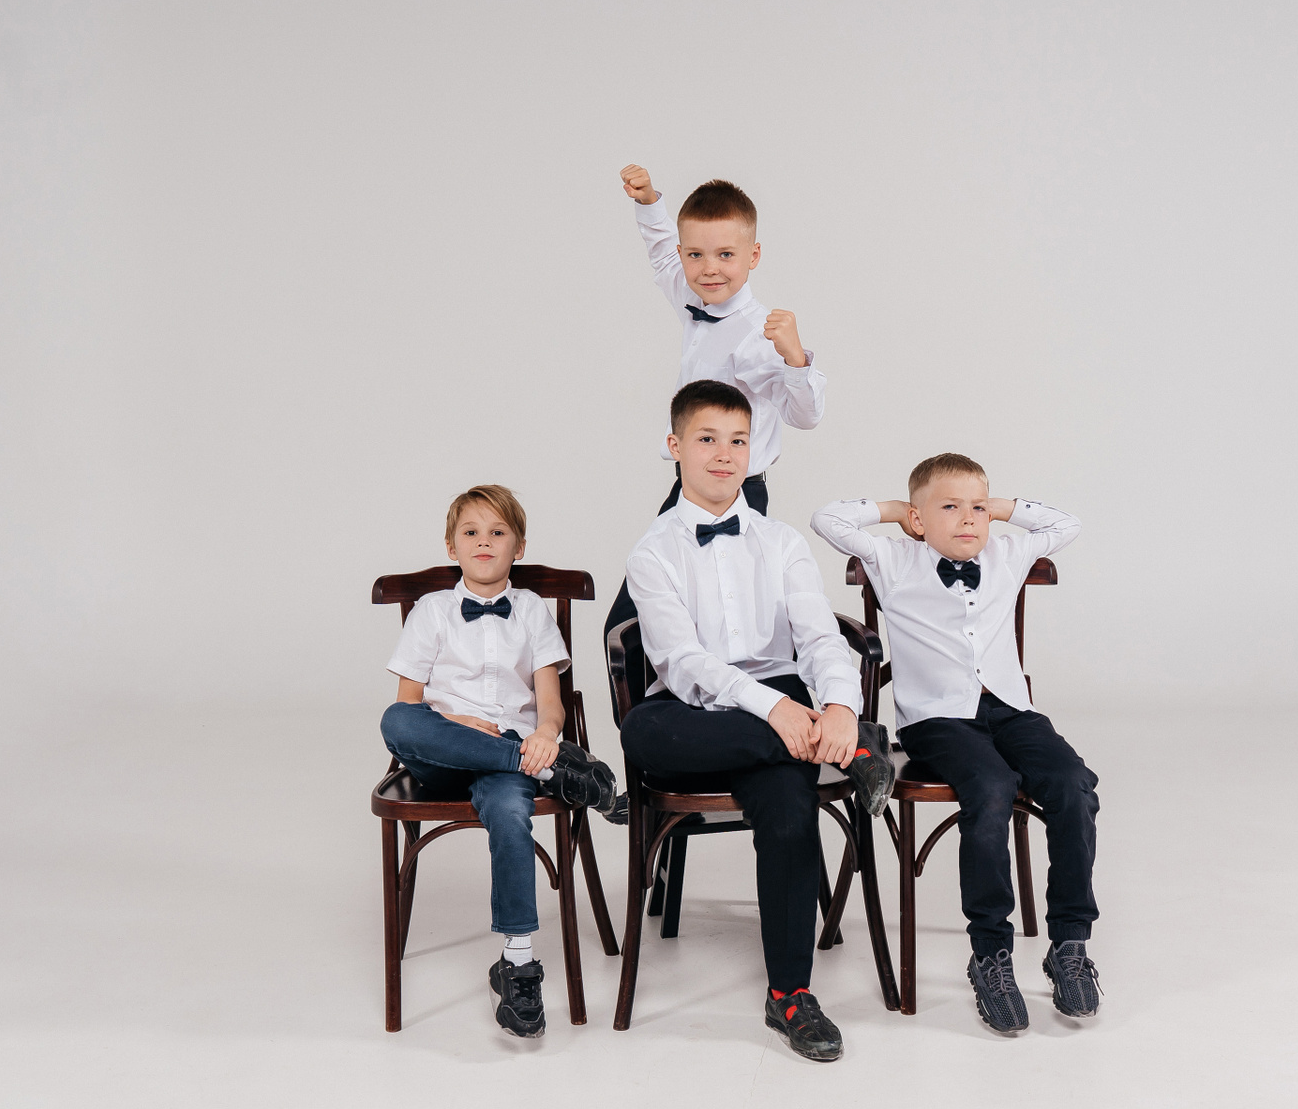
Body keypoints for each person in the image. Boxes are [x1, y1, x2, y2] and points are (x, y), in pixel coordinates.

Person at [617, 382, 895, 1062]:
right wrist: (781, 714)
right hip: (696, 712)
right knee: (640, 733)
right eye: (707, 439)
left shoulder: (781, 541)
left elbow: (821, 638)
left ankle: (790, 995)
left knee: (791, 812)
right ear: (675, 446)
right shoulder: (652, 552)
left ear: (753, 450)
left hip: (786, 706)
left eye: (738, 440)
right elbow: (683, 662)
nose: (724, 454)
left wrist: (839, 706)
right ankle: (855, 751)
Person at [810, 454, 1103, 1034]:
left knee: (1074, 786)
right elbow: (828, 519)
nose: (969, 519)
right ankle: (990, 953)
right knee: (991, 789)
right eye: (951, 507)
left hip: (1011, 711)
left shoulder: (1006, 554)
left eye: (978, 508)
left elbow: (1066, 524)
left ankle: (1069, 943)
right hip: (937, 720)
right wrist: (897, 512)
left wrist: (998, 508)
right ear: (919, 520)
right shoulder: (894, 559)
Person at [379, 484, 617, 1038]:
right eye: (471, 532)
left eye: (497, 532)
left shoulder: (531, 611)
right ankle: (556, 773)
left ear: (519, 546)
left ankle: (517, 963)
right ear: (451, 546)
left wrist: (547, 736)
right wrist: (460, 724)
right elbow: (408, 705)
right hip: (445, 751)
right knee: (395, 722)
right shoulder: (432, 611)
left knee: (511, 815)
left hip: (516, 754)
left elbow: (551, 704)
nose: (483, 541)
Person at [603, 164, 828, 635]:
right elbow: (663, 254)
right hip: (690, 485)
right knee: (639, 617)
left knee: (723, 617)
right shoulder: (694, 298)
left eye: (726, 254)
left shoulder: (758, 336)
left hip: (736, 492)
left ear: (753, 255)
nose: (709, 268)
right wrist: (649, 203)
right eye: (696, 255)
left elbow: (804, 416)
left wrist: (795, 358)